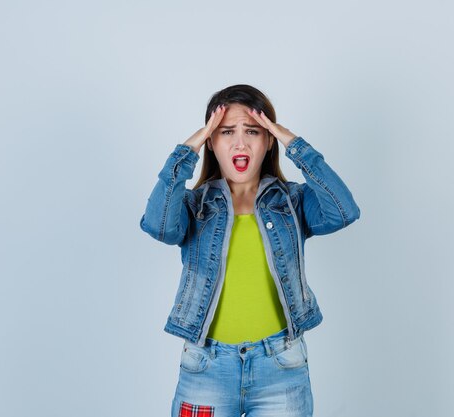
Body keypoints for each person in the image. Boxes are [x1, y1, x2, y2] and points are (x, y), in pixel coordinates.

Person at [140, 84, 360, 417]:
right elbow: (158, 225)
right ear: (212, 143)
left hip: (281, 368)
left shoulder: (291, 202)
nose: (240, 142)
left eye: (253, 131)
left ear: (268, 140)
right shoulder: (195, 206)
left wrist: (294, 144)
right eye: (226, 132)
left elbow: (343, 211)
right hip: (206, 369)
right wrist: (187, 151)